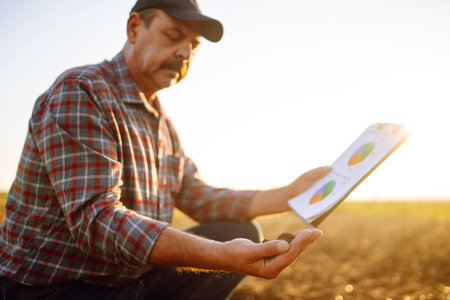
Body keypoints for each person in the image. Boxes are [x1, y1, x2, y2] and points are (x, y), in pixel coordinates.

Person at [0, 0, 331, 299]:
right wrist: (219, 256)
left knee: (238, 231)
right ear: (134, 28)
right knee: (221, 245)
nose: (185, 53)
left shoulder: (161, 123)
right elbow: (97, 220)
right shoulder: (81, 91)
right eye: (173, 35)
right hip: (53, 289)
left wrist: (288, 193)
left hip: (129, 279)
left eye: (193, 45)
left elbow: (198, 197)